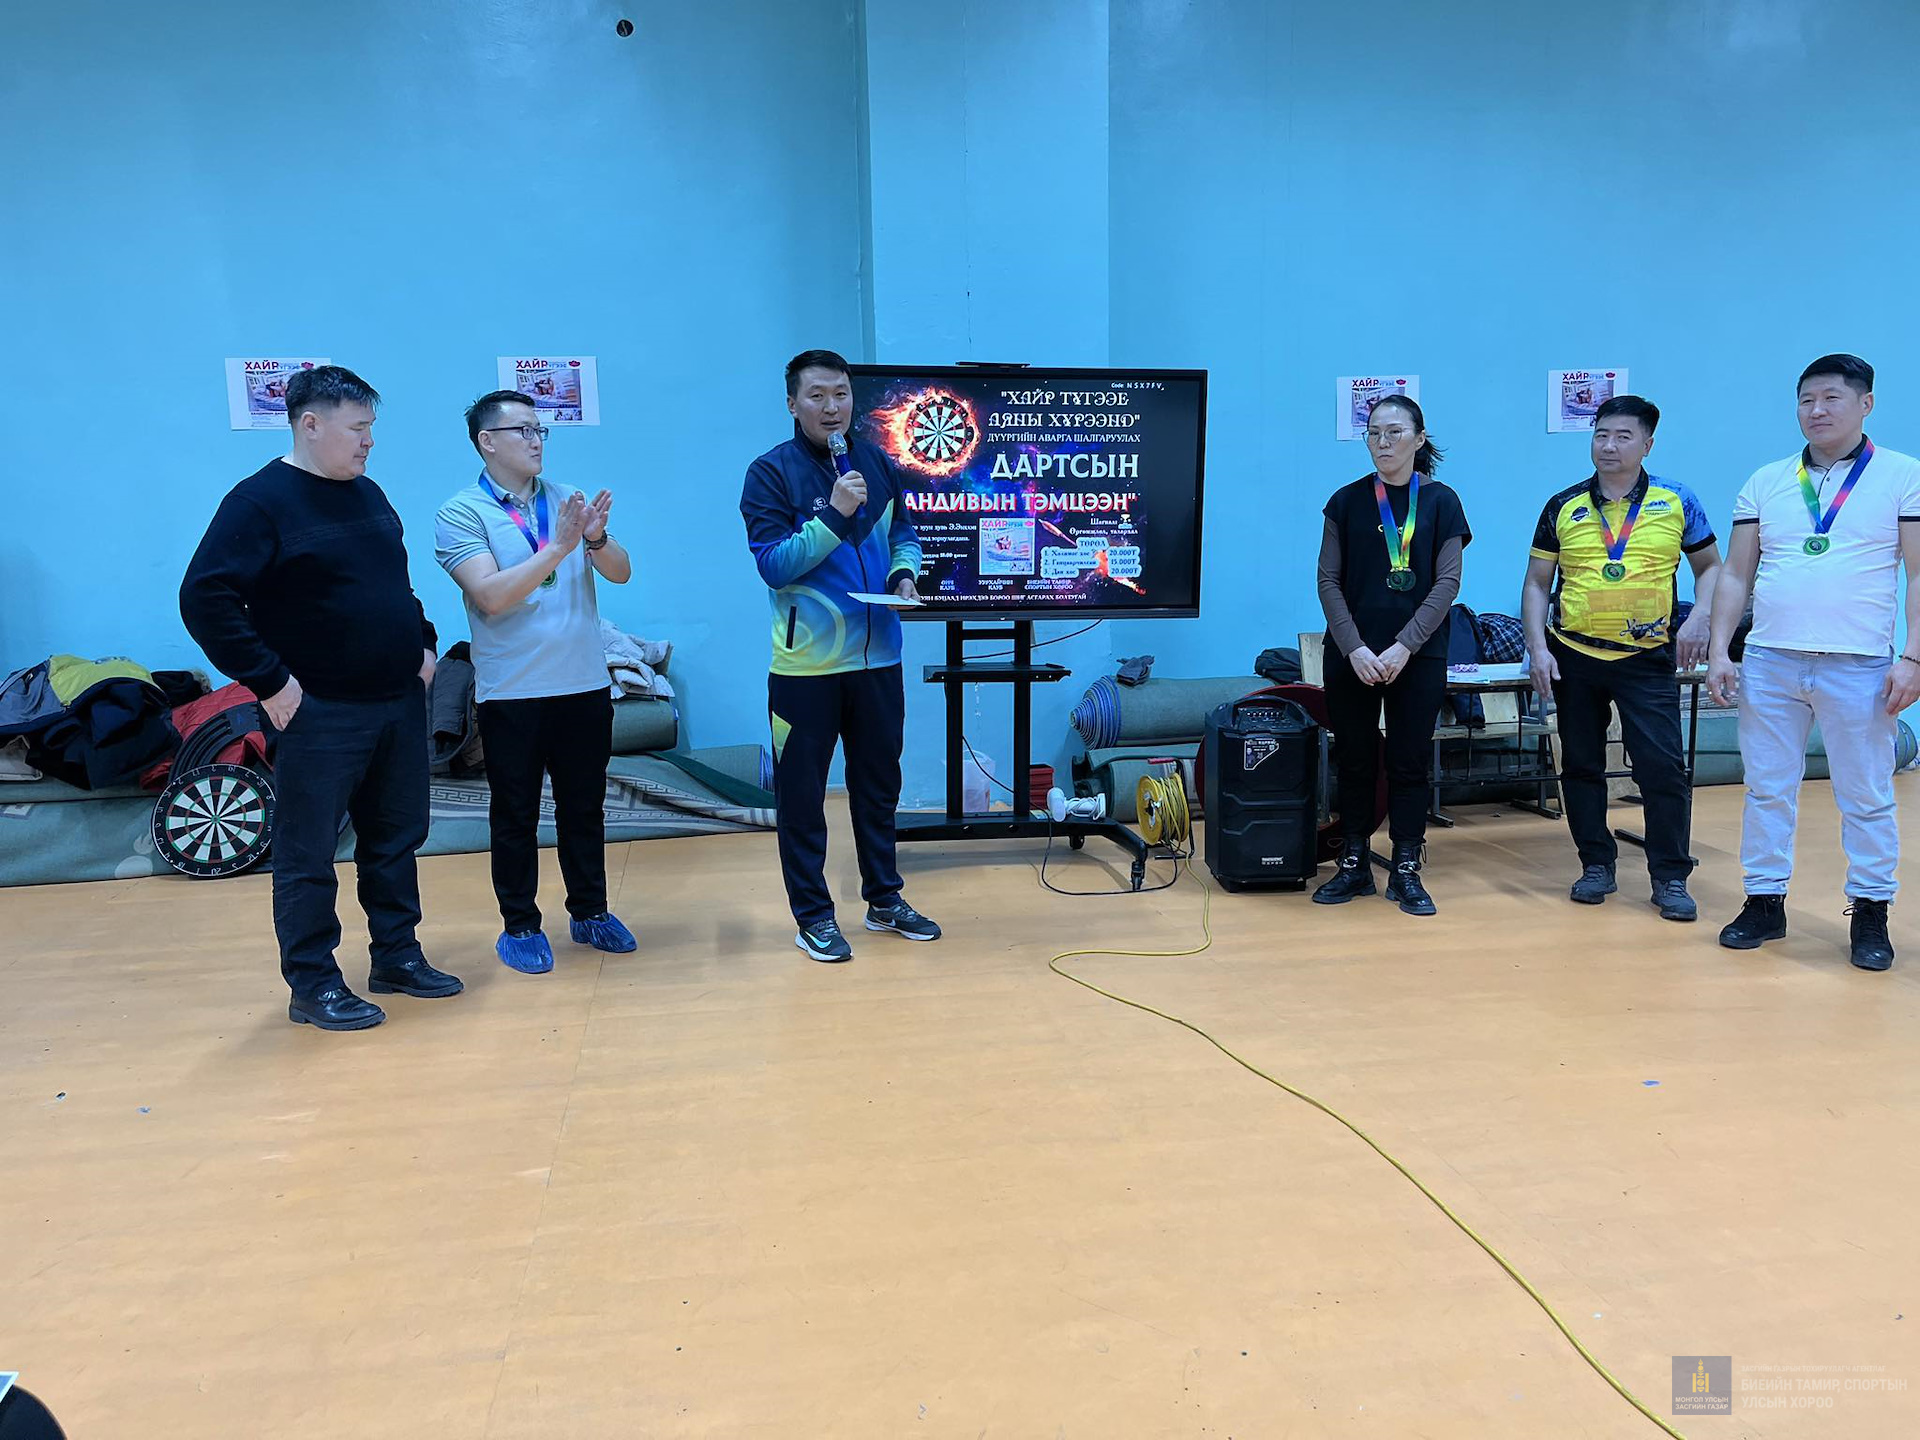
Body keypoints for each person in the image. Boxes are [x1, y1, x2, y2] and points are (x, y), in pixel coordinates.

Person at [181, 366, 462, 1030]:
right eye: (358, 427)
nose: (369, 441)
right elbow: (204, 597)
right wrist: (270, 681)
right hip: (319, 712)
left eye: (371, 428)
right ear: (311, 424)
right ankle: (313, 983)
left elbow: (395, 586)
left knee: (395, 838)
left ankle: (397, 956)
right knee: (308, 853)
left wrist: (422, 645)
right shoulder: (258, 503)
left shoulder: (368, 494)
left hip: (396, 701)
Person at [1706, 354, 1920, 971]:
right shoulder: (1767, 480)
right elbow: (1736, 573)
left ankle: (1871, 911)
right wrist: (1720, 650)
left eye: (1831, 398)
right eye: (1806, 400)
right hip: (1771, 660)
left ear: (1865, 404)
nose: (1816, 411)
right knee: (1767, 788)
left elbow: (1918, 572)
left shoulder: (1903, 475)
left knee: (1866, 793)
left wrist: (1912, 656)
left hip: (1859, 664)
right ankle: (1764, 901)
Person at [739, 349, 940, 961]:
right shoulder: (769, 474)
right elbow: (775, 566)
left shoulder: (876, 460)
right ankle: (814, 916)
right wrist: (835, 512)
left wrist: (904, 575)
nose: (832, 407)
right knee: (802, 798)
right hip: (806, 670)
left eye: (842, 394)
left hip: (879, 662)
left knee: (878, 788)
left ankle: (884, 899)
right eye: (818, 396)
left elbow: (904, 533)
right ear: (792, 404)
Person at [434, 391, 638, 974]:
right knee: (515, 813)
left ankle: (590, 911)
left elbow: (621, 573)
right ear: (487, 442)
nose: (535, 440)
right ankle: (520, 924)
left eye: (539, 429)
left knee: (584, 807)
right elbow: (491, 596)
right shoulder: (461, 513)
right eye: (521, 430)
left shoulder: (567, 499)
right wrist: (560, 548)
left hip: (583, 684)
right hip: (512, 692)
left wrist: (595, 540)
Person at [1522, 395, 1722, 921]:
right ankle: (1596, 864)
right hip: (1574, 656)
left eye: (1622, 436)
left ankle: (1670, 877)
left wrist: (1701, 617)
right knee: (1581, 766)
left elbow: (1709, 568)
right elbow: (1538, 582)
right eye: (1601, 435)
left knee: (1662, 770)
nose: (1608, 446)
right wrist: (1537, 647)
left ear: (1647, 444)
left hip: (1647, 658)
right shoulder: (1563, 504)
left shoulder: (1677, 500)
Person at [1312, 395, 1472, 915]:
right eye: (1374, 433)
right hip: (1352, 656)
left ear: (1419, 439)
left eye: (1395, 432)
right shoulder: (1345, 502)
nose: (1383, 442)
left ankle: (1405, 866)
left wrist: (1405, 646)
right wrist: (1354, 647)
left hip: (1417, 656)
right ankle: (1354, 863)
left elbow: (1447, 583)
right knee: (1356, 760)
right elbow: (1328, 581)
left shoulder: (1443, 502)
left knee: (1409, 762)